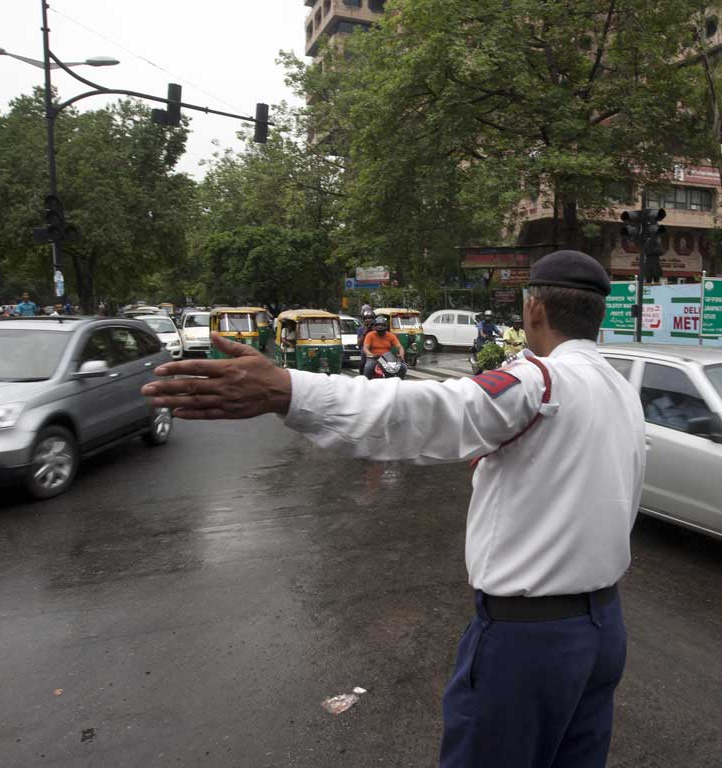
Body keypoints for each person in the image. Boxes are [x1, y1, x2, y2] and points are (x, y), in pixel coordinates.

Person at [141, 250, 645, 767]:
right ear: (597, 315)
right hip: (603, 630)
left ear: (533, 309)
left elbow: (424, 411)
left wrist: (288, 390)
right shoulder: (620, 389)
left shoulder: (539, 381)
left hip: (530, 643)